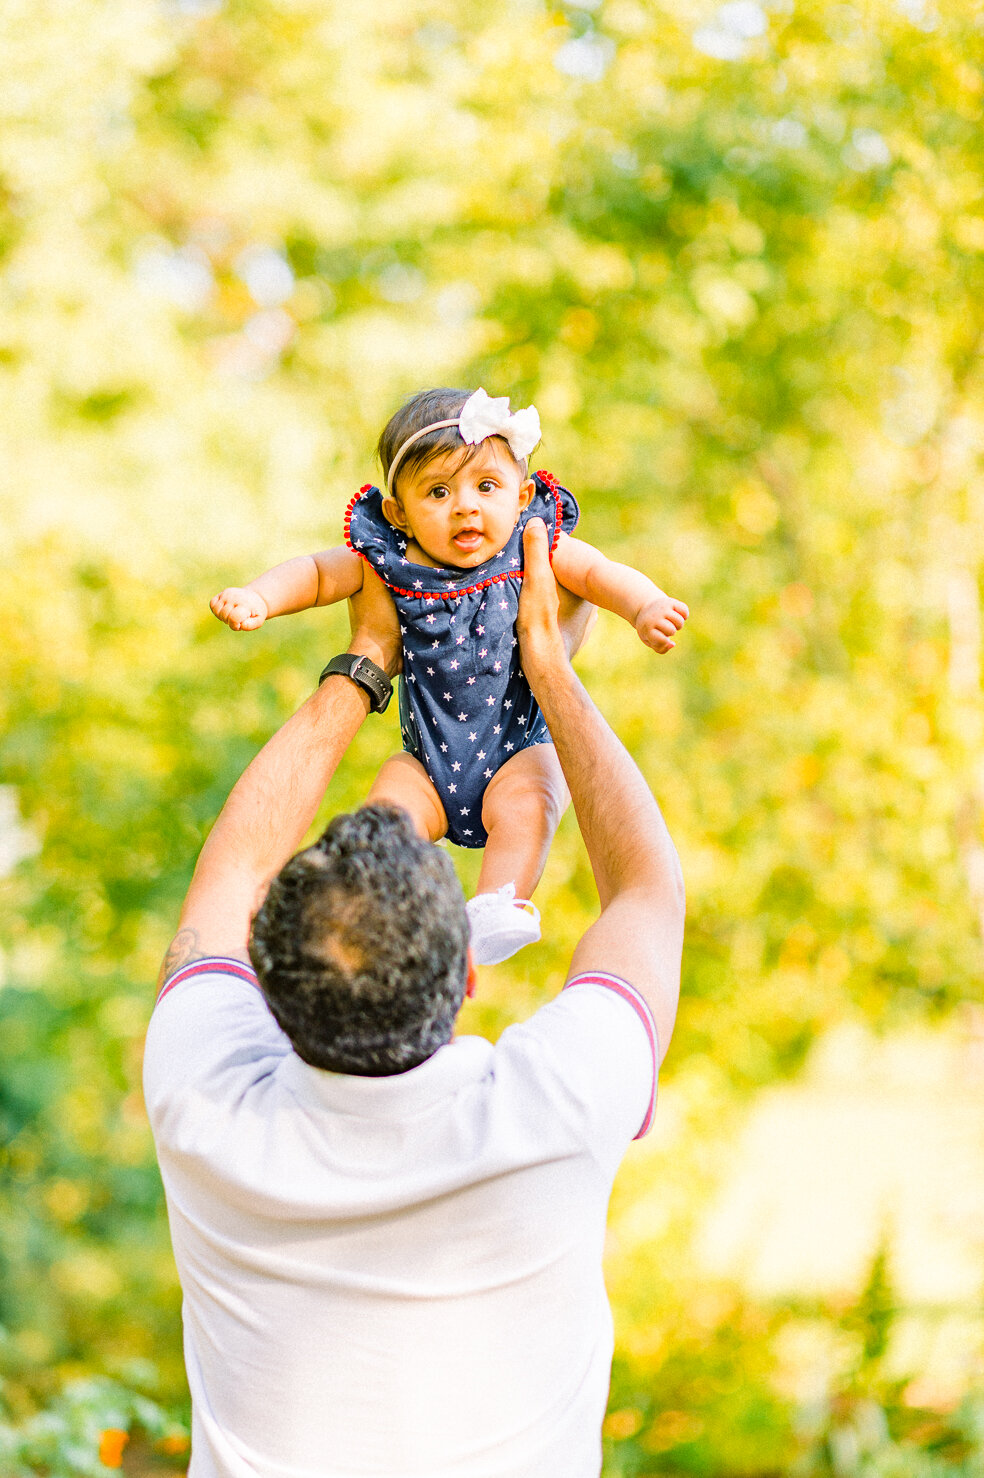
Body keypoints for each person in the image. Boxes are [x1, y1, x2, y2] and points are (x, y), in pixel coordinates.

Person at [145, 518, 685, 1478]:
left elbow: (231, 870)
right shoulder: (556, 1105)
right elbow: (646, 891)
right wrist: (549, 670)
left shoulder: (201, 1100)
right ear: (468, 977)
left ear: (264, 984)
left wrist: (365, 657)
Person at [209, 386, 689, 964]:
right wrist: (260, 596)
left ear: (522, 493)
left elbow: (601, 574)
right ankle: (380, 908)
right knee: (386, 813)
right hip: (428, 764)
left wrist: (645, 608)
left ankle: (495, 905)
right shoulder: (394, 562)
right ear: (398, 513)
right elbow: (314, 573)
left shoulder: (531, 545)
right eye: (438, 491)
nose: (465, 506)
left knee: (532, 799)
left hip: (516, 748)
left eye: (486, 487)